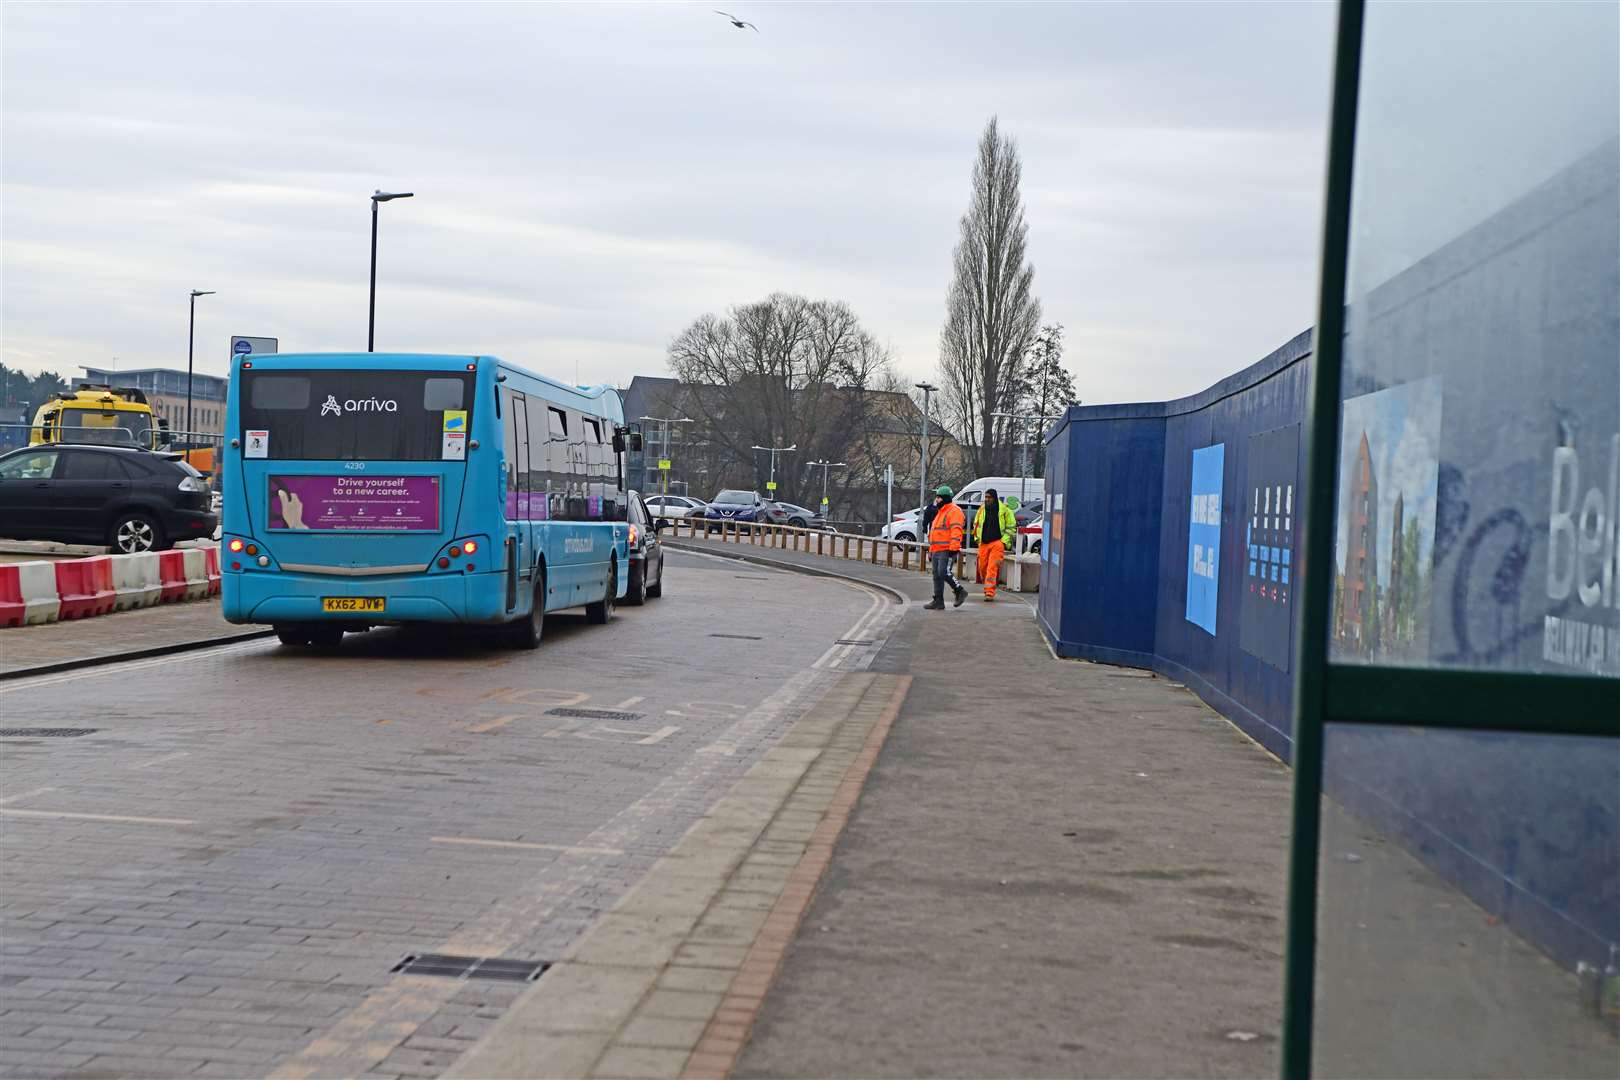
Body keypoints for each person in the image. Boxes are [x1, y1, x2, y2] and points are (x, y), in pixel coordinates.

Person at [924, 484, 967, 610]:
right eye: (936, 497)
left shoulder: (954, 511)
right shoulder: (941, 512)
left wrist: (953, 548)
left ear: (946, 498)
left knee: (944, 572)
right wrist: (931, 550)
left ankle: (960, 591)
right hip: (937, 550)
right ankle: (938, 601)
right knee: (936, 575)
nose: (936, 500)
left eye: (939, 497)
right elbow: (935, 533)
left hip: (947, 549)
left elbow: (956, 531)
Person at [973, 488, 1018, 601]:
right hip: (983, 543)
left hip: (997, 542)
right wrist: (977, 538)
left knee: (992, 568)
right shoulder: (982, 509)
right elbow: (976, 524)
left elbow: (1011, 526)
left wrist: (1003, 541)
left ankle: (989, 592)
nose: (987, 499)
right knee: (982, 567)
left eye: (989, 497)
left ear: (994, 498)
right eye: (986, 497)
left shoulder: (1004, 510)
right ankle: (987, 587)